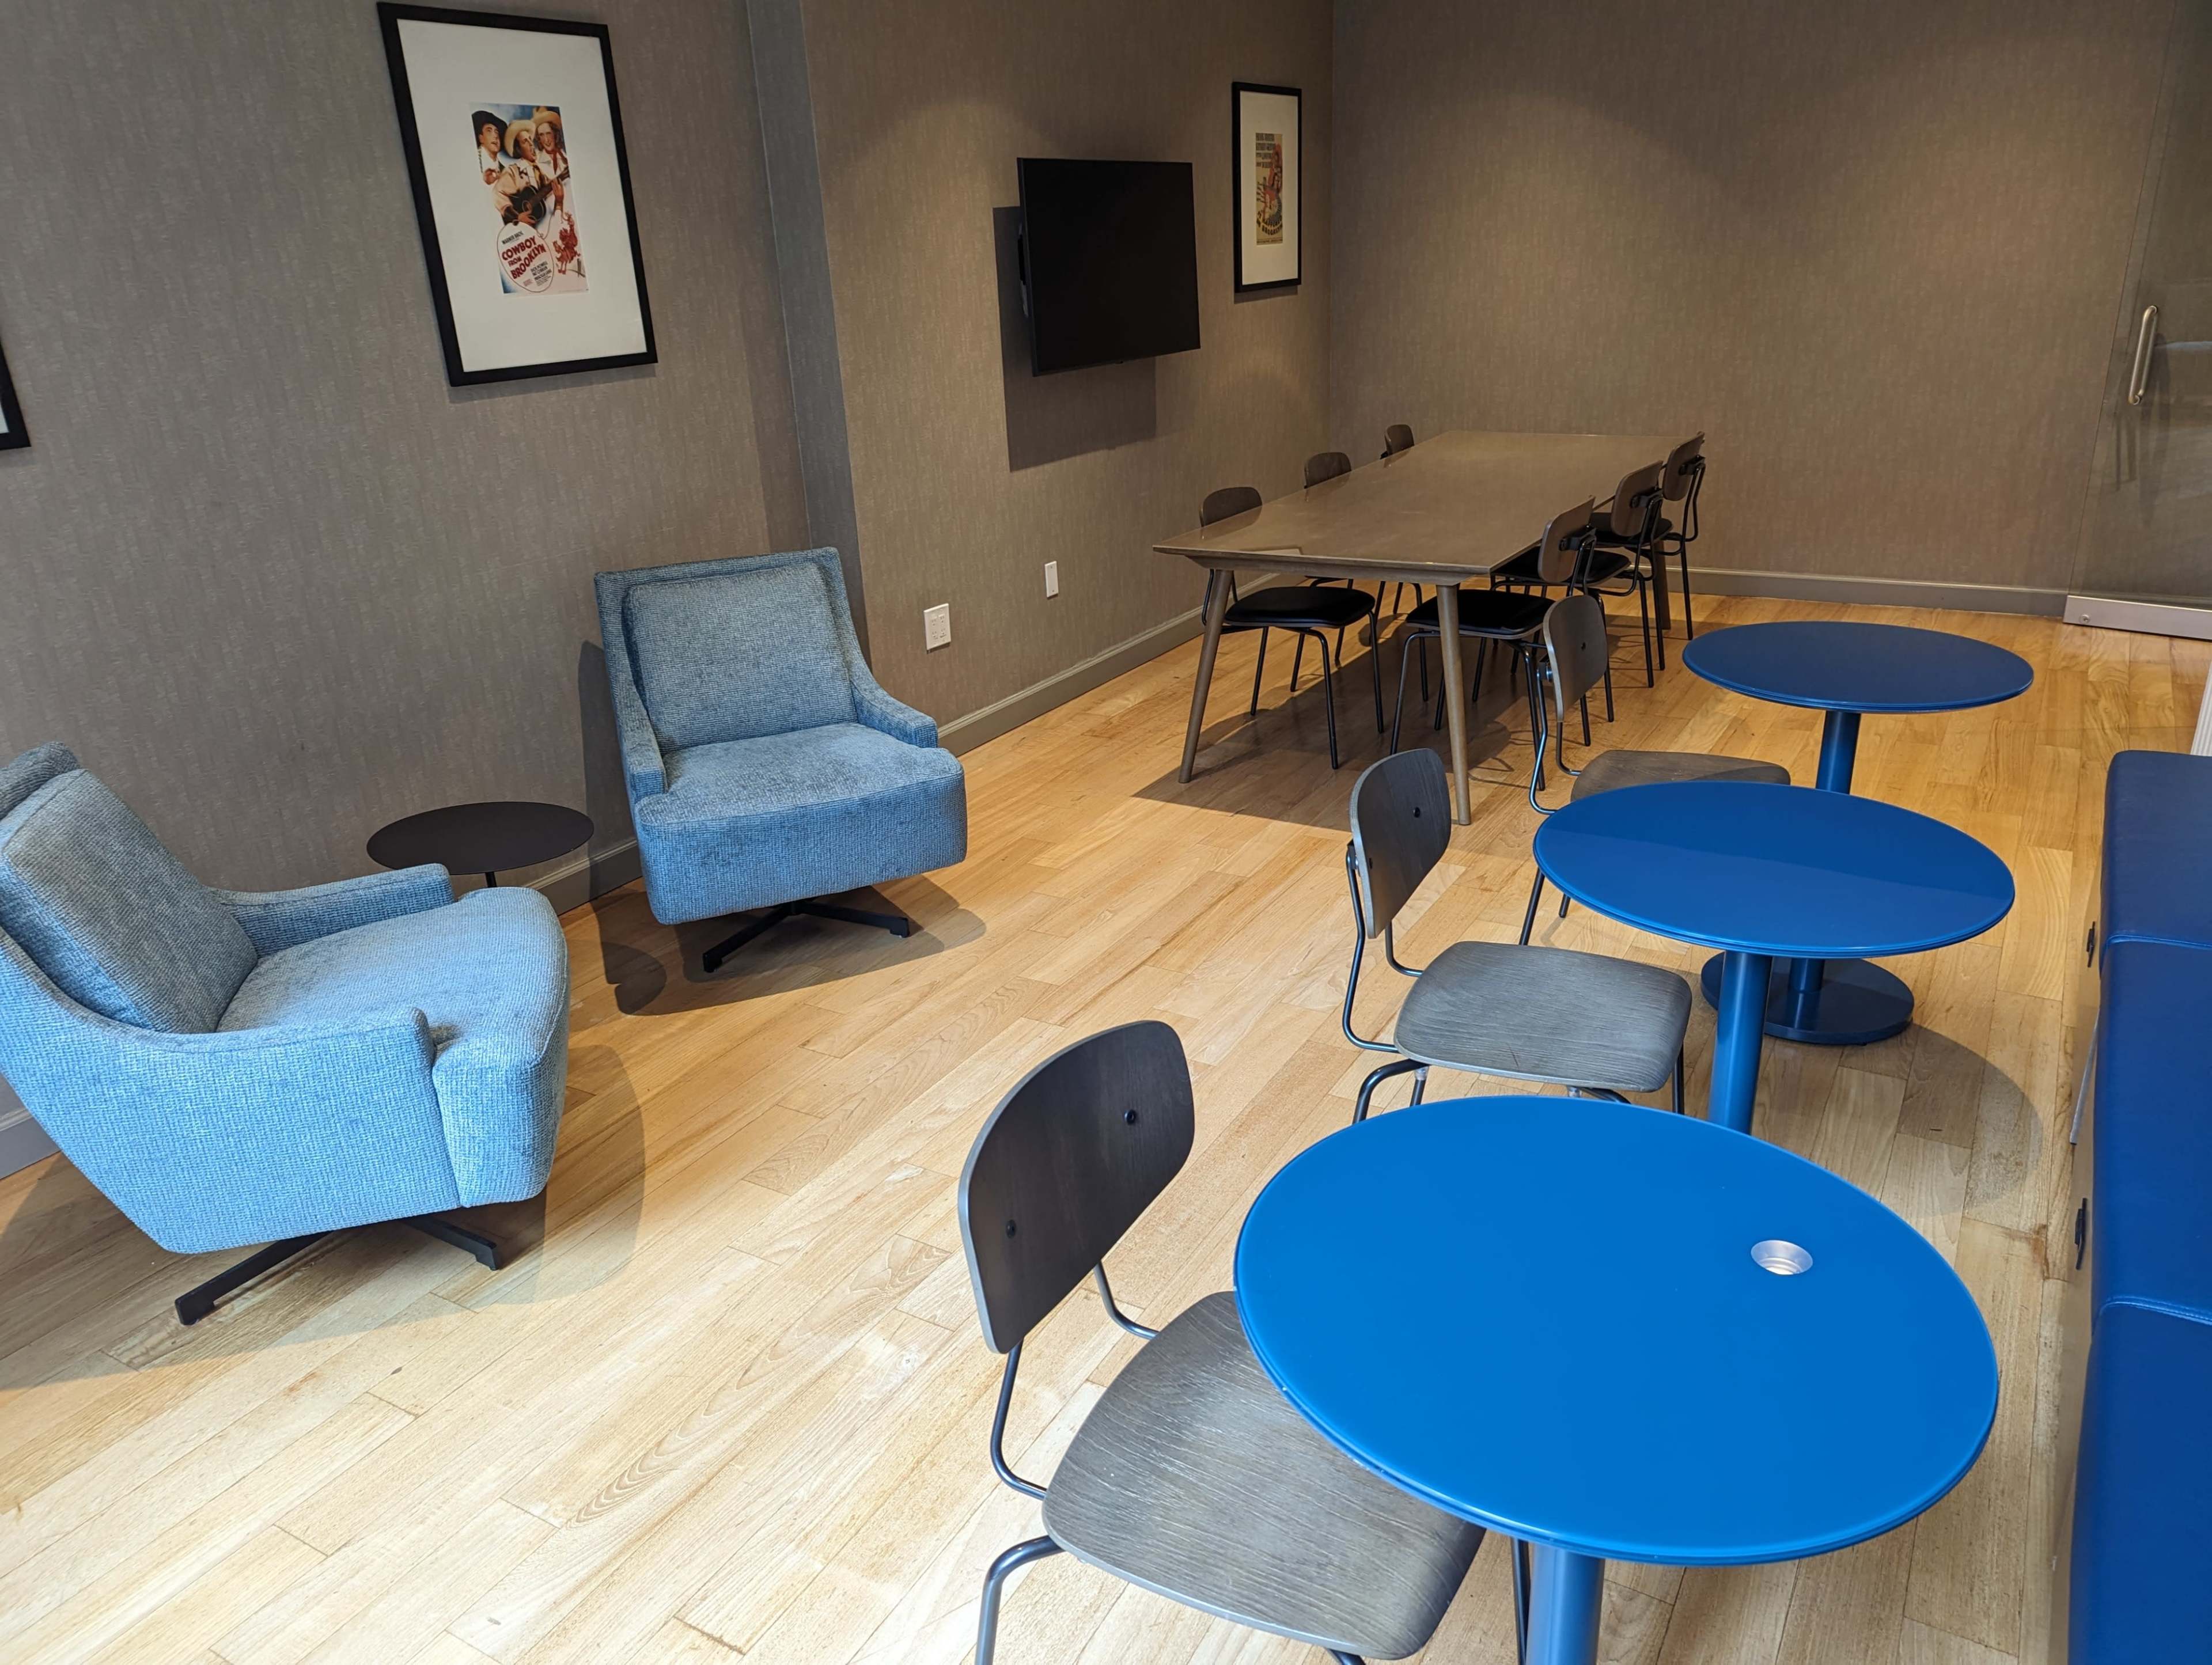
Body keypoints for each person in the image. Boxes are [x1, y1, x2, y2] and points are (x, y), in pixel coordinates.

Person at [472, 111, 507, 184]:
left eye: (497, 132)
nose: (496, 136)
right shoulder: (472, 162)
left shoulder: (506, 171)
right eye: (489, 131)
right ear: (481, 138)